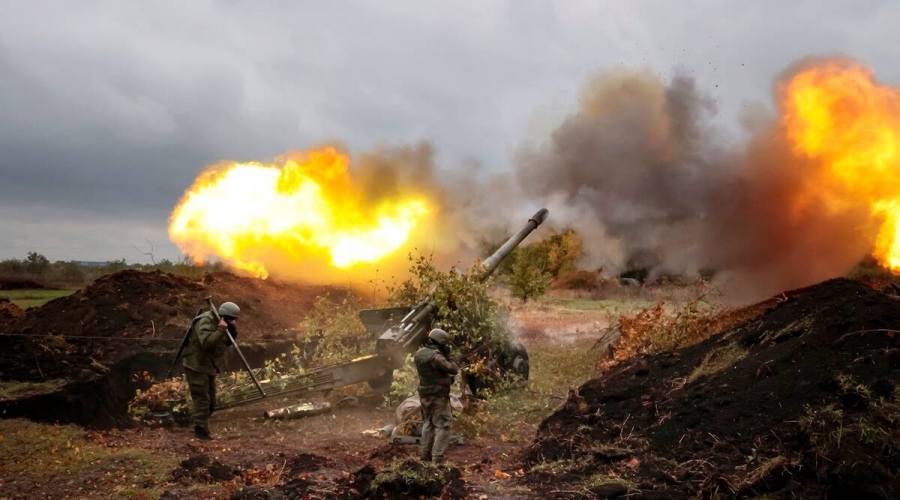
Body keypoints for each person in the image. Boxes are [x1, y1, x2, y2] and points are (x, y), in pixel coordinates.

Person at [182, 301, 240, 440]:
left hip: (209, 365)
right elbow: (207, 343)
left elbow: (226, 342)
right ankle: (201, 432)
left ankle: (200, 423)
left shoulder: (222, 322)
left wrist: (231, 330)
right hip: (196, 365)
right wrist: (220, 329)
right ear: (223, 316)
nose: (232, 321)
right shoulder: (205, 321)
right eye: (230, 319)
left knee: (212, 401)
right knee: (202, 400)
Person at [413, 328, 459, 463]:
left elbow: (433, 374)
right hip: (437, 396)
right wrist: (450, 356)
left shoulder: (419, 354)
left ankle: (424, 456)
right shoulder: (436, 357)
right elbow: (454, 369)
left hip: (425, 395)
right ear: (440, 343)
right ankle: (437, 459)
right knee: (443, 425)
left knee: (428, 424)